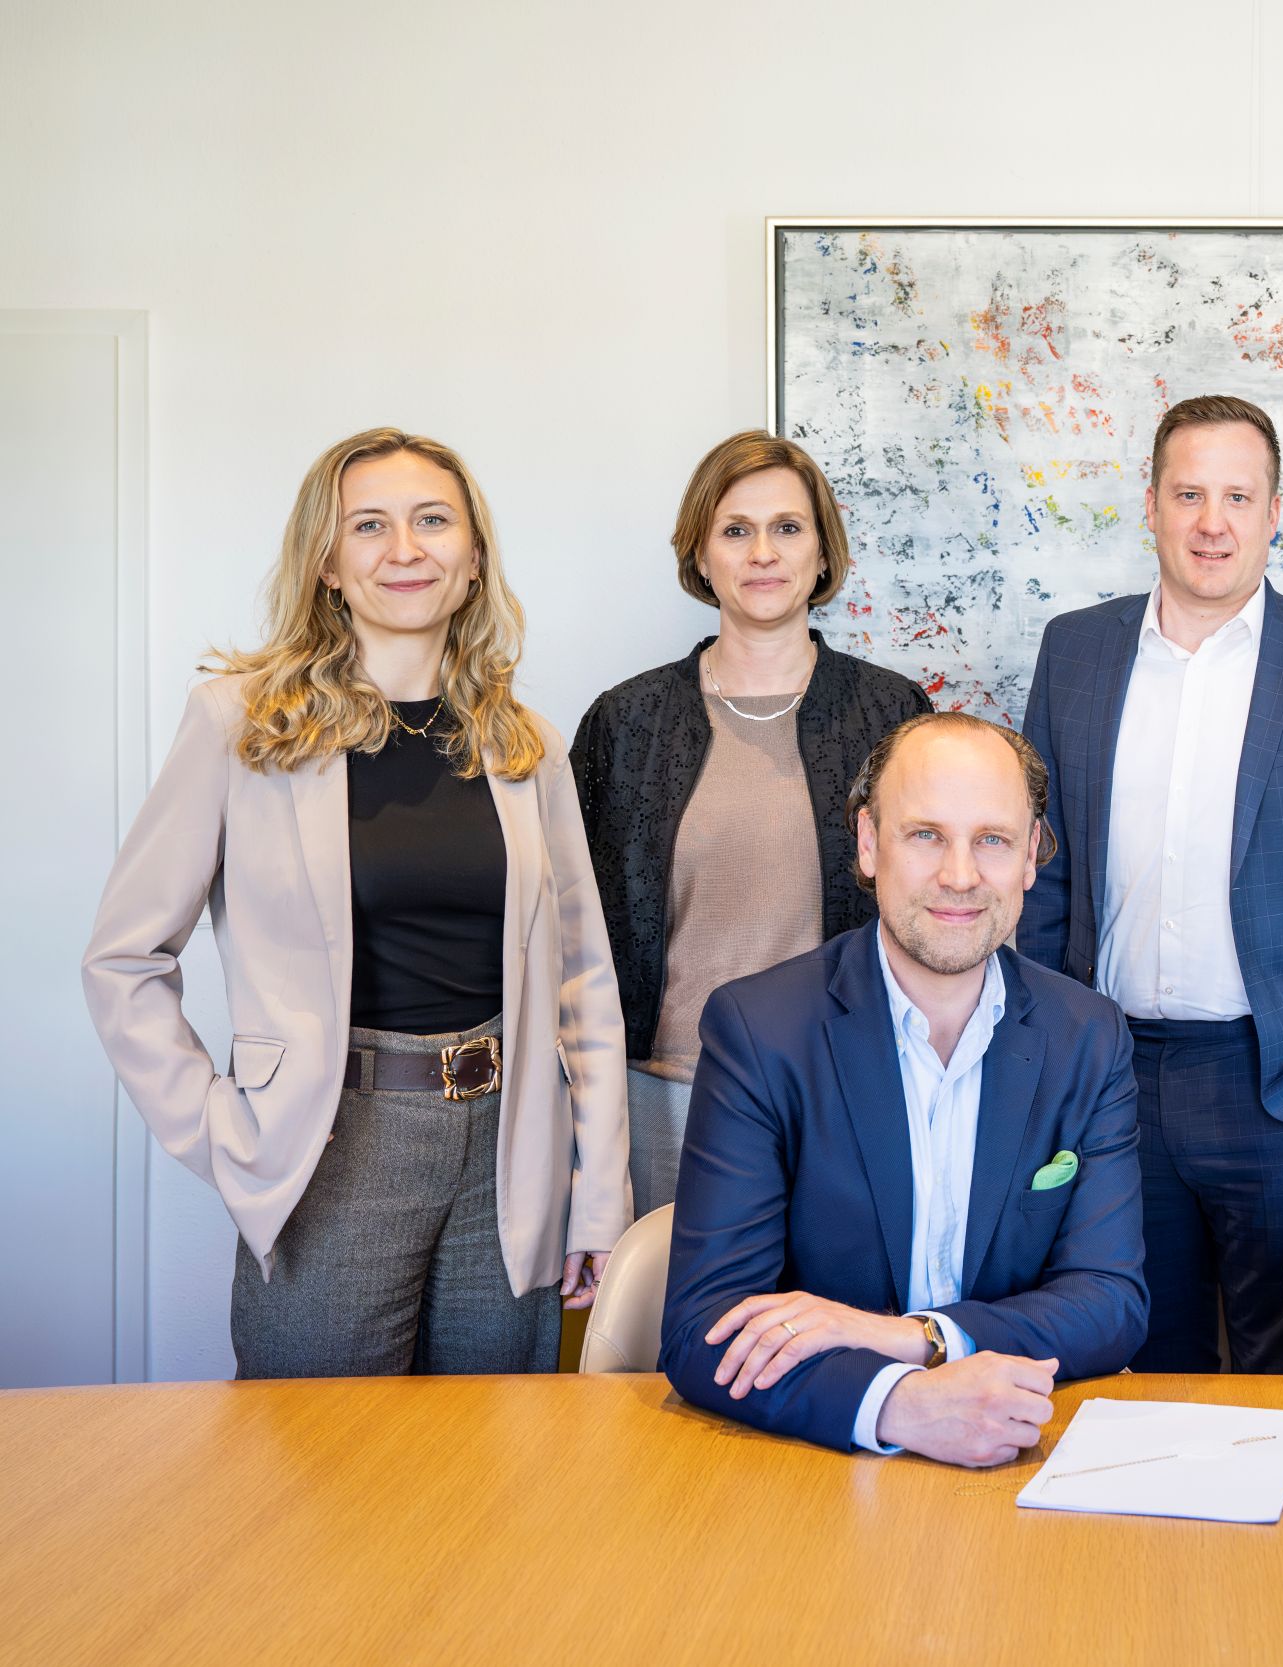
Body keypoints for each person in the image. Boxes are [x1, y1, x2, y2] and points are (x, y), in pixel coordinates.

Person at [83, 428, 628, 1376]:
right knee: (314, 1476)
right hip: (330, 1146)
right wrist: (220, 1127)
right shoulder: (240, 723)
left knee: (492, 1471)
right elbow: (125, 958)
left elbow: (582, 980)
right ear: (328, 562)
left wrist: (599, 1195)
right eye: (368, 525)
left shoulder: (524, 742)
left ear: (472, 559)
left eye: (432, 522)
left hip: (510, 1152)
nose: (404, 549)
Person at [1019, 394, 1283, 1374]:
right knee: (1127, 1353)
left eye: (1237, 496)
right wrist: (1034, 1047)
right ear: (1150, 504)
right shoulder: (1074, 650)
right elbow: (1039, 869)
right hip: (1108, 1070)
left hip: (1278, 1082)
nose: (1212, 521)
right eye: (1189, 492)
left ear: (1274, 510)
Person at [659, 713, 1148, 1461]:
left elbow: (1110, 1300)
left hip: (1021, 1449)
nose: (960, 875)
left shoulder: (1089, 1035)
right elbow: (705, 1329)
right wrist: (902, 1404)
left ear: (1029, 859)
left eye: (992, 839)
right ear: (867, 843)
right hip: (811, 1468)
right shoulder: (761, 1030)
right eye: (925, 835)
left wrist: (912, 1338)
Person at [570, 431, 930, 1216]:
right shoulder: (625, 722)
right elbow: (570, 926)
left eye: (788, 528)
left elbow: (929, 906)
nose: (762, 552)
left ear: (822, 553)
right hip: (662, 1097)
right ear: (701, 557)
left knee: (834, 1326)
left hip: (845, 1087)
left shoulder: (892, 716)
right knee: (673, 1329)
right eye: (736, 530)